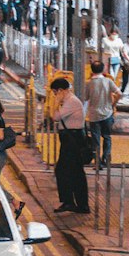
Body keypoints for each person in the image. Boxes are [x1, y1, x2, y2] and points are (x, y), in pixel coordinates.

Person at [48, 75, 89, 214]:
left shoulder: (71, 101)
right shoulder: (69, 101)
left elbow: (55, 117)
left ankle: (73, 203)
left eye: (55, 92)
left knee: (65, 170)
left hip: (73, 140)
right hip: (70, 139)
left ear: (61, 90)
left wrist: (55, 102)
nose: (54, 95)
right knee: (72, 171)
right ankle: (75, 203)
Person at [84, 59, 121, 169]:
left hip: (94, 115)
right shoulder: (108, 81)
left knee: (96, 140)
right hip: (107, 114)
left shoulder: (89, 83)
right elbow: (119, 93)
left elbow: (86, 98)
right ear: (103, 69)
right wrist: (113, 104)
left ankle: (97, 162)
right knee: (107, 137)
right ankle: (106, 159)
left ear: (91, 70)